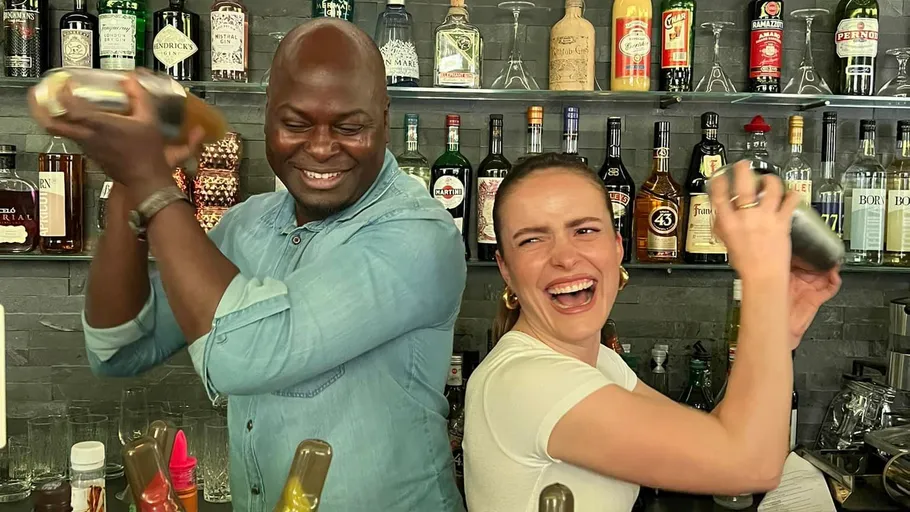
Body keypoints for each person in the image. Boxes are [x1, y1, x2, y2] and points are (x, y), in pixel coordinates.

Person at [29, 19, 466, 512]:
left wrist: (154, 181)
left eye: (350, 126)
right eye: (296, 124)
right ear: (267, 116)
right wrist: (130, 181)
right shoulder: (246, 225)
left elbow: (240, 355)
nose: (321, 148)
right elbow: (119, 350)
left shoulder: (419, 236)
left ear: (385, 119)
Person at [462, 153, 842, 511]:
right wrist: (761, 277)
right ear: (506, 268)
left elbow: (715, 438)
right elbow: (748, 465)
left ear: (616, 247)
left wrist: (781, 325)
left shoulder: (600, 363)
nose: (564, 257)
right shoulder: (527, 381)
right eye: (531, 239)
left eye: (584, 230)